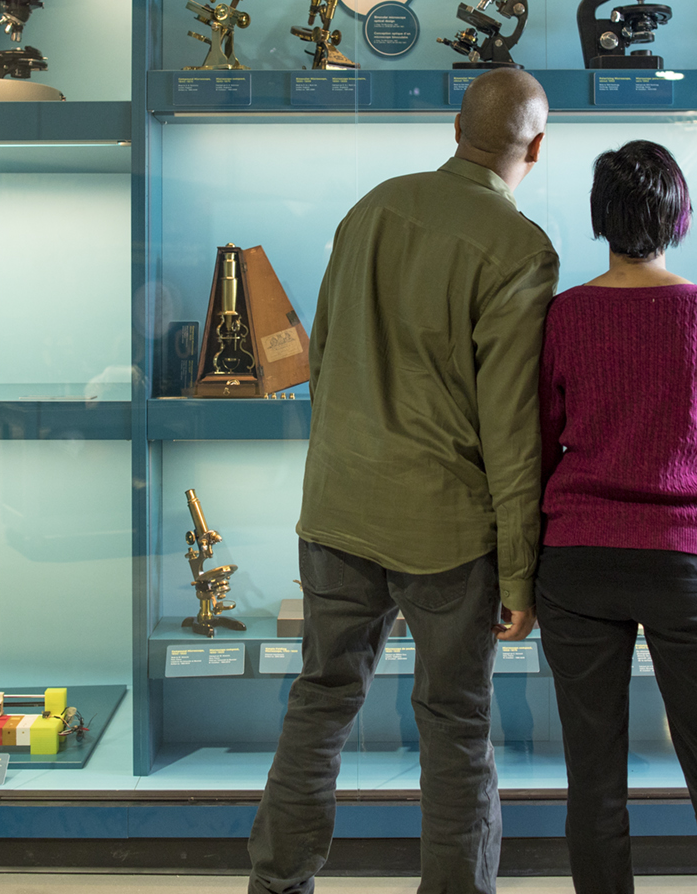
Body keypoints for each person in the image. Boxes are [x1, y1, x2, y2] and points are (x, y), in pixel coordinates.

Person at [249, 68, 560, 894]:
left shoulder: (372, 208)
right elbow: (513, 431)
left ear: (457, 128)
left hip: (338, 510)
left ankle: (276, 885)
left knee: (318, 705)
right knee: (457, 726)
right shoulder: (520, 249)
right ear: (536, 145)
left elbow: (327, 363)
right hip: (446, 531)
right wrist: (522, 572)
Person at [535, 140, 697, 894]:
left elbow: (537, 446)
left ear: (600, 219)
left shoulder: (565, 317)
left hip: (576, 561)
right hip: (692, 560)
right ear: (678, 217)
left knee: (593, 781)